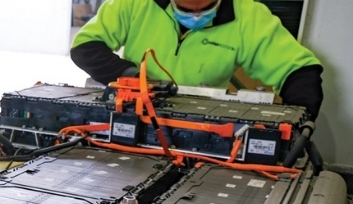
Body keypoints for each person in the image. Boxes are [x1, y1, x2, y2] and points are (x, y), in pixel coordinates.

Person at [71, 0, 323, 119]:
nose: (195, 15)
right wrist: (136, 79)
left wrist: (298, 124)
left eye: (204, 7)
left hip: (204, 122)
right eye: (185, 7)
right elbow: (85, 47)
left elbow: (299, 71)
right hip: (136, 112)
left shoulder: (249, 16)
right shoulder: (135, 3)